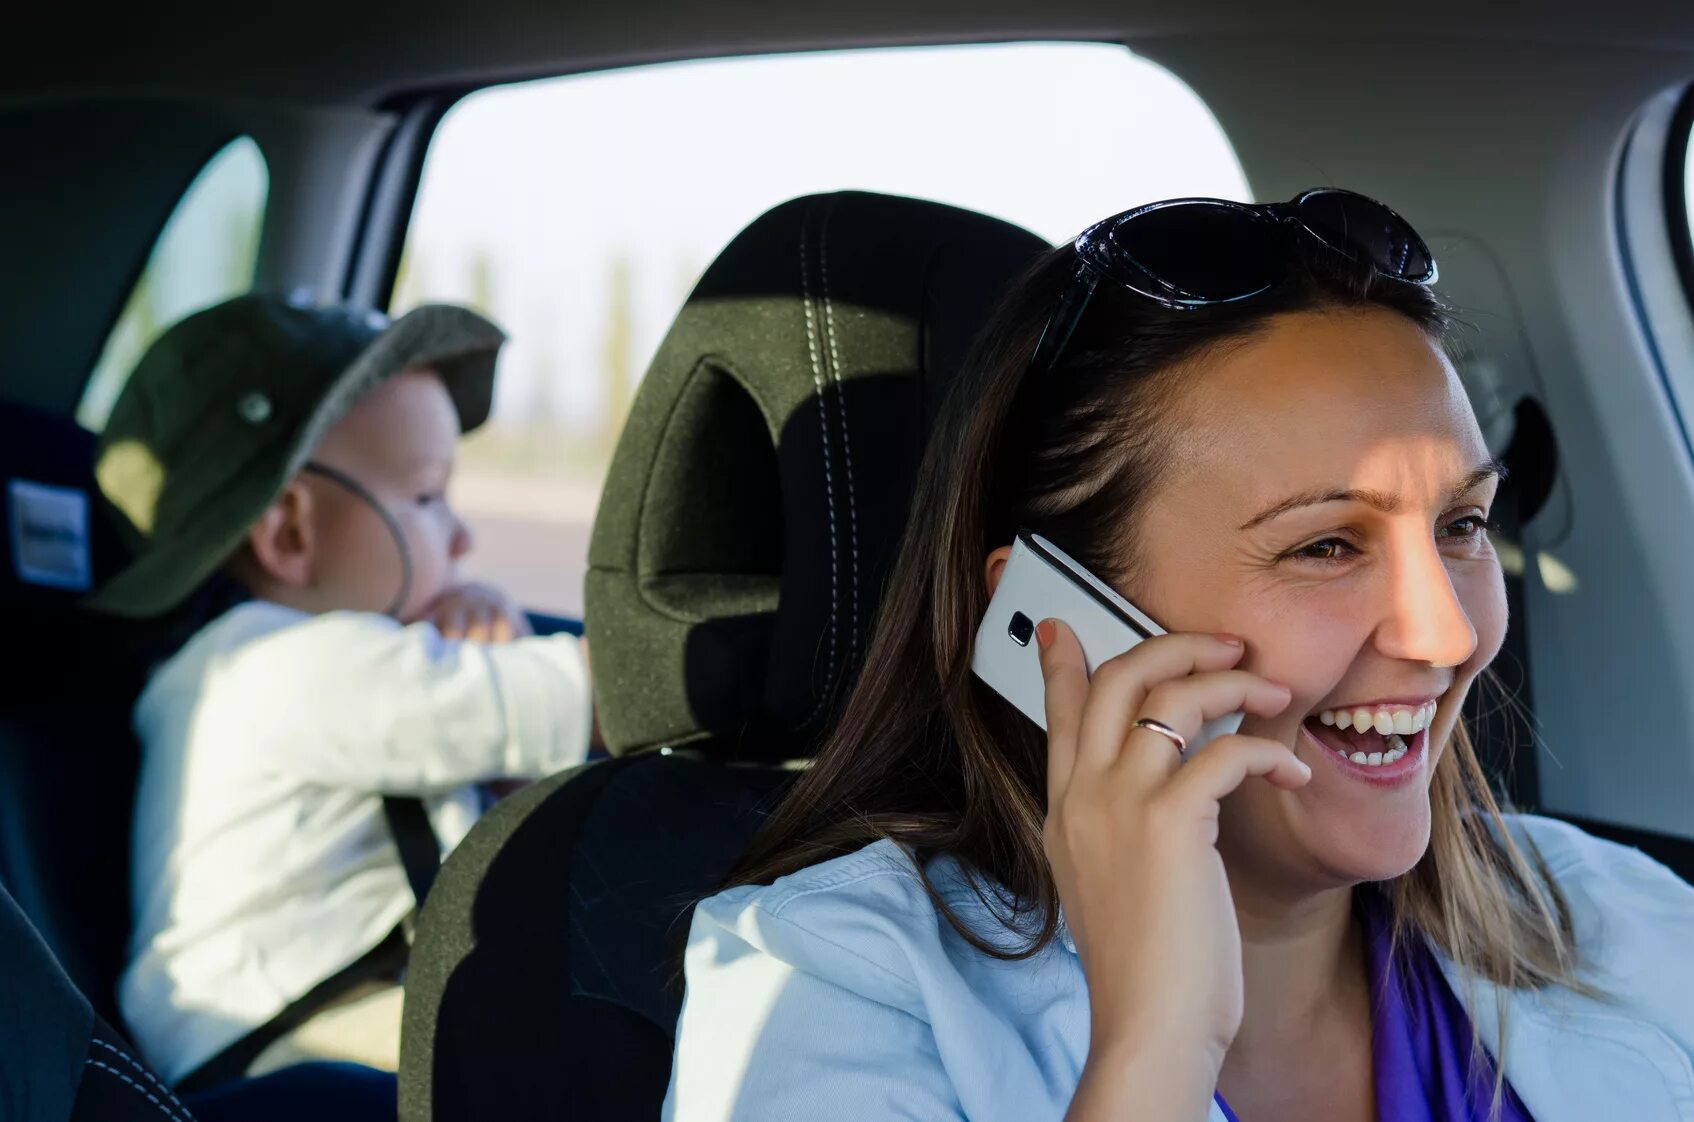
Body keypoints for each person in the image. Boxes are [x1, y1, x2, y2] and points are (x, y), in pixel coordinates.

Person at [661, 191, 1694, 1121]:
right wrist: (1154, 1047)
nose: (1447, 636)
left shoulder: (1623, 917)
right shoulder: (826, 988)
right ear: (1052, 621)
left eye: (1460, 524)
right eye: (1324, 545)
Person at [94, 295, 596, 1088]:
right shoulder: (272, 671)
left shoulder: (346, 672)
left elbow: (517, 822)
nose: (463, 539)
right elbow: (600, 696)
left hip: (341, 1022)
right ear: (291, 531)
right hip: (278, 1058)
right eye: (428, 498)